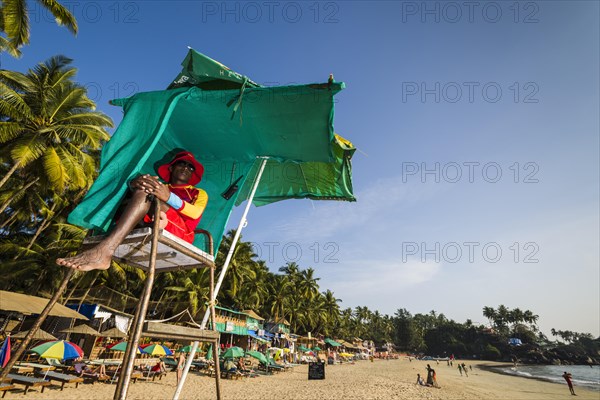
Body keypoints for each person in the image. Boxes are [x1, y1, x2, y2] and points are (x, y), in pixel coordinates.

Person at [57, 151, 208, 271]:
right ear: (171, 167)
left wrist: (168, 197)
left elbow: (195, 213)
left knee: (151, 193)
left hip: (182, 232)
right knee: (143, 187)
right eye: (181, 163)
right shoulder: (160, 185)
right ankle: (110, 245)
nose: (186, 168)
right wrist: (134, 184)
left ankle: (105, 250)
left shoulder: (198, 193)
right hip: (151, 218)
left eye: (190, 167)